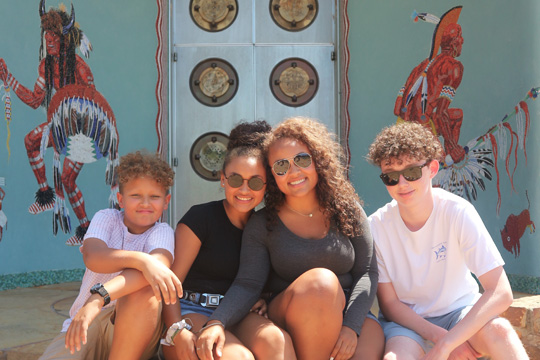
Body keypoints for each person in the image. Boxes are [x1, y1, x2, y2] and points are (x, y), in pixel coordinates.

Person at [197, 116, 383, 360]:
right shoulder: (263, 223)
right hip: (290, 313)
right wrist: (217, 321)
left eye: (302, 159)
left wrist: (351, 326)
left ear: (318, 159)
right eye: (281, 166)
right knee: (321, 283)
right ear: (272, 175)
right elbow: (248, 284)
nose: (293, 171)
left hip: (350, 312)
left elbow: (367, 272)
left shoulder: (348, 210)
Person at [366, 122, 528, 360]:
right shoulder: (376, 226)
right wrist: (441, 338)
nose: (402, 183)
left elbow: (500, 291)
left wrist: (449, 343)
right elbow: (390, 304)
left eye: (411, 172)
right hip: (407, 323)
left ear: (432, 168)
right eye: (391, 177)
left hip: (458, 312)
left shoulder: (457, 211)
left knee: (501, 331)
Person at [161, 120, 296, 360]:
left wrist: (264, 299)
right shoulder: (200, 217)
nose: (244, 189)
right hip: (192, 309)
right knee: (239, 357)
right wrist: (176, 330)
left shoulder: (266, 225)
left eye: (255, 182)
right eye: (235, 180)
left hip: (237, 313)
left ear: (266, 186)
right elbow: (171, 285)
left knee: (277, 342)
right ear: (223, 179)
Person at [40, 150, 182, 360]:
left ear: (166, 201)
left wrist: (98, 298)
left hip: (135, 326)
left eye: (154, 196)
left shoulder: (162, 232)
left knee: (145, 291)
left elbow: (156, 269)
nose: (145, 203)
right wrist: (141, 259)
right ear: (120, 199)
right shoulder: (106, 218)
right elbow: (94, 258)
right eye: (135, 196)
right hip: (88, 320)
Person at [394, 17, 466, 163]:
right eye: (460, 37)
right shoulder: (454, 67)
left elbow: (397, 108)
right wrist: (453, 147)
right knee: (438, 169)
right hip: (421, 129)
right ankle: (446, 158)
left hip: (402, 125)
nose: (463, 41)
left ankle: (446, 155)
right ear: (453, 43)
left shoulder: (424, 65)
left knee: (457, 115)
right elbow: (440, 114)